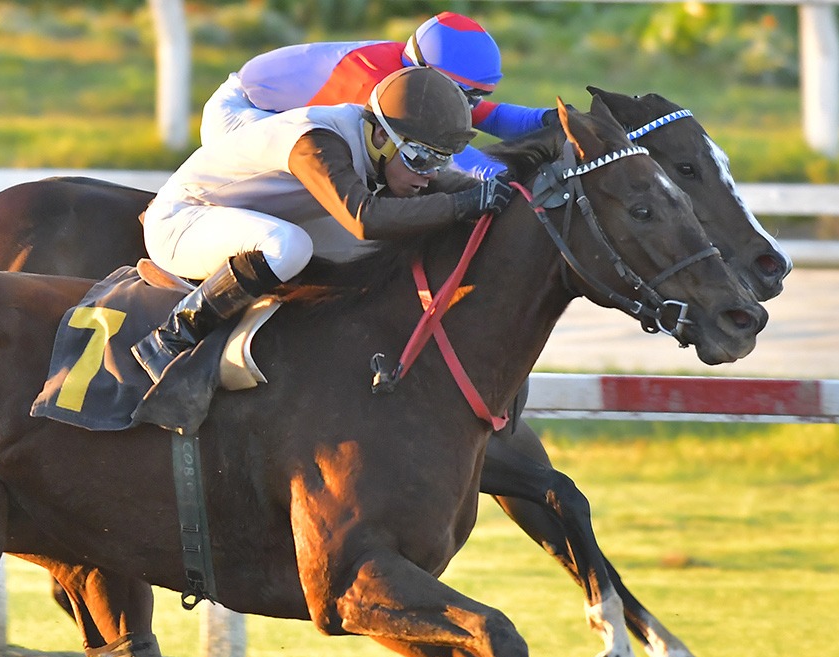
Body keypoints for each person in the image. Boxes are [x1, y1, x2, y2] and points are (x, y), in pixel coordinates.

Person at [132, 66, 512, 392]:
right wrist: (464, 205)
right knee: (289, 246)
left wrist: (506, 192)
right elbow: (366, 219)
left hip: (245, 220)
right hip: (182, 220)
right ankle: (172, 337)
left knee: (355, 255)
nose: (428, 176)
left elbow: (441, 187)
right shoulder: (317, 142)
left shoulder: (375, 137)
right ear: (381, 137)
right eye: (421, 160)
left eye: (439, 162)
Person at [200, 11, 551, 179]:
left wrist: (558, 120)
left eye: (474, 96)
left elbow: (493, 117)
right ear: (434, 76)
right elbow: (451, 158)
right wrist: (506, 179)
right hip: (241, 113)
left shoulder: (416, 72)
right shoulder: (378, 84)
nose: (469, 105)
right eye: (464, 95)